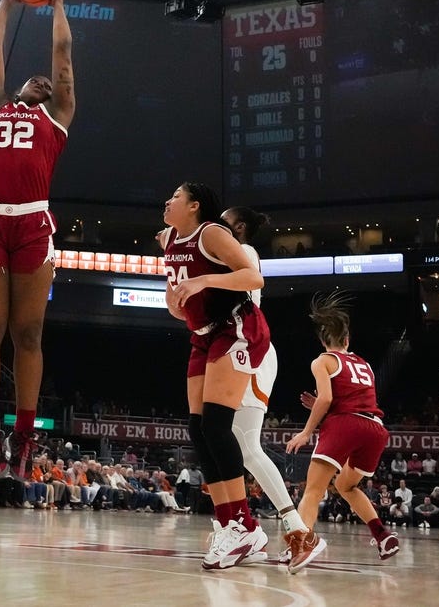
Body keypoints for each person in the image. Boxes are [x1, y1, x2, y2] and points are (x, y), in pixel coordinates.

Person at [0, 0, 74, 481]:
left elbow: (64, 57)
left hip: (32, 224)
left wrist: (57, 6)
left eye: (46, 81)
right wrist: (9, 1)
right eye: (31, 78)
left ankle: (24, 439)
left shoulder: (57, 118)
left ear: (52, 96)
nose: (40, 77)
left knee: (27, 334)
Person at [159, 182, 273, 570]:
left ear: (194, 205)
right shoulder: (171, 240)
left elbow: (253, 278)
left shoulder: (212, 233)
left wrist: (203, 280)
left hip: (237, 326)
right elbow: (179, 304)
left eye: (175, 196)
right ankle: (234, 524)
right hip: (203, 334)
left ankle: (242, 524)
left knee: (217, 424)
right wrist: (174, 302)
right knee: (198, 427)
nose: (167, 201)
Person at [285, 292, 399, 574]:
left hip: (345, 423)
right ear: (347, 341)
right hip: (375, 428)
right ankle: (383, 537)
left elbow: (325, 400)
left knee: (312, 490)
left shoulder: (322, 361)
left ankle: (301, 544)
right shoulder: (365, 365)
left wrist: (306, 431)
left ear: (324, 341)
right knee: (346, 486)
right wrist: (331, 409)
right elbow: (353, 400)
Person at [221, 206, 310, 555]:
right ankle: (238, 523)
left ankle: (295, 527)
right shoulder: (233, 253)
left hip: (250, 350)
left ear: (239, 227)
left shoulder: (243, 252)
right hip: (237, 349)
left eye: (224, 221)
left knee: (246, 446)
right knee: (227, 444)